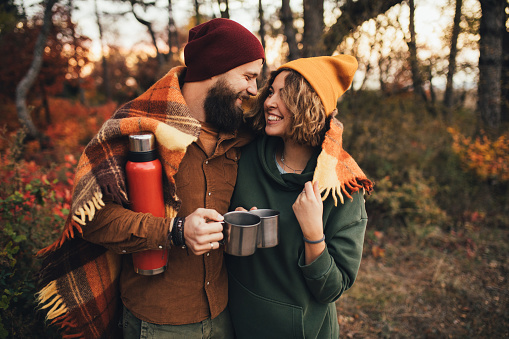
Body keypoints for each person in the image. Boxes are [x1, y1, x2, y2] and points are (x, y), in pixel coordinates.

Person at [36, 18, 264, 338]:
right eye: (249, 76)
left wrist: (233, 219)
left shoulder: (238, 134)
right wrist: (176, 230)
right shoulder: (138, 129)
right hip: (159, 323)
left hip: (222, 315)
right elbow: (92, 220)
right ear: (216, 68)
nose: (254, 89)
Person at [225, 55, 373, 338]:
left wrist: (313, 233)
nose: (269, 102)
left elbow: (332, 288)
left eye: (285, 95)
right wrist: (234, 222)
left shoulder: (341, 187)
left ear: (310, 107)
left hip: (300, 330)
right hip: (236, 321)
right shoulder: (245, 154)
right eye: (271, 91)